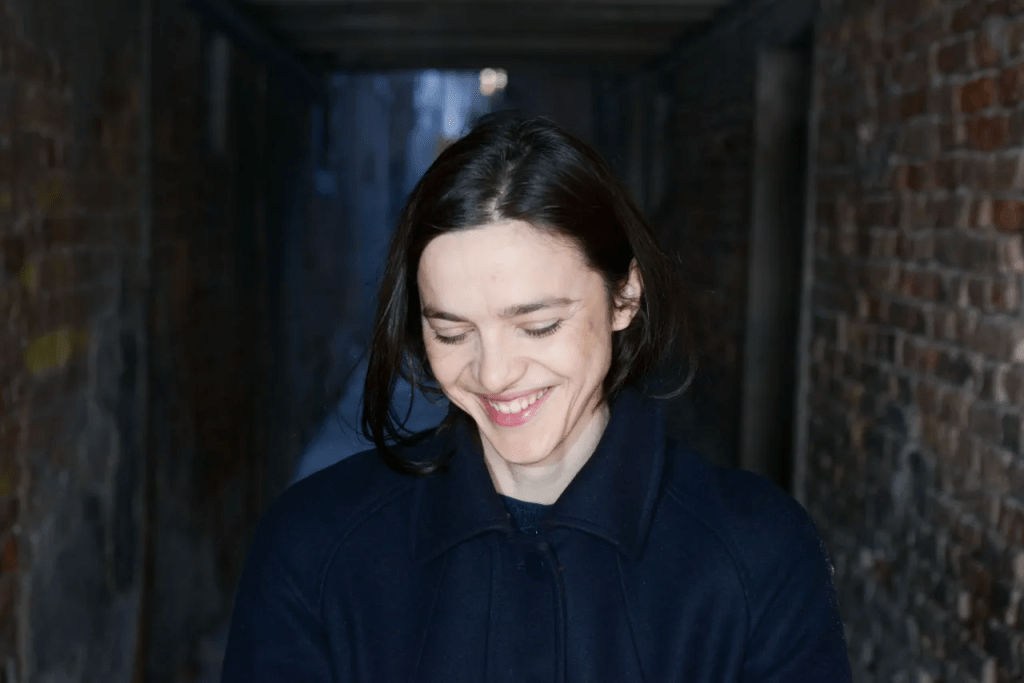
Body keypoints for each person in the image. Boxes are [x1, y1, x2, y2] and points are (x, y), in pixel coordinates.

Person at [221, 111, 851, 682]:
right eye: (452, 332)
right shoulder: (312, 545)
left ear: (625, 296)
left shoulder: (758, 554)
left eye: (539, 325)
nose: (493, 375)